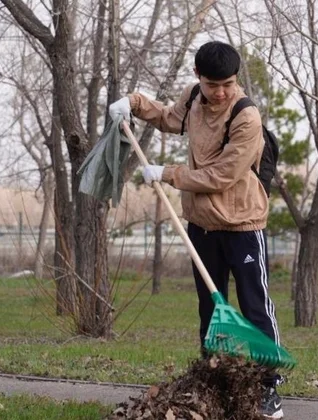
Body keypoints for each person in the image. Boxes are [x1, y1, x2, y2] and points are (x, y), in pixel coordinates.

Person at [109, 41, 284, 419]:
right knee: (211, 309)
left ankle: (268, 387)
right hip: (202, 226)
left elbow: (223, 175)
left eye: (227, 84)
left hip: (242, 225)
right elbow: (170, 118)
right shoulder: (192, 97)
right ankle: (214, 382)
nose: (220, 92)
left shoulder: (246, 116)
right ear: (198, 77)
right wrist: (134, 103)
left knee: (255, 306)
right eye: (212, 85)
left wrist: (168, 174)